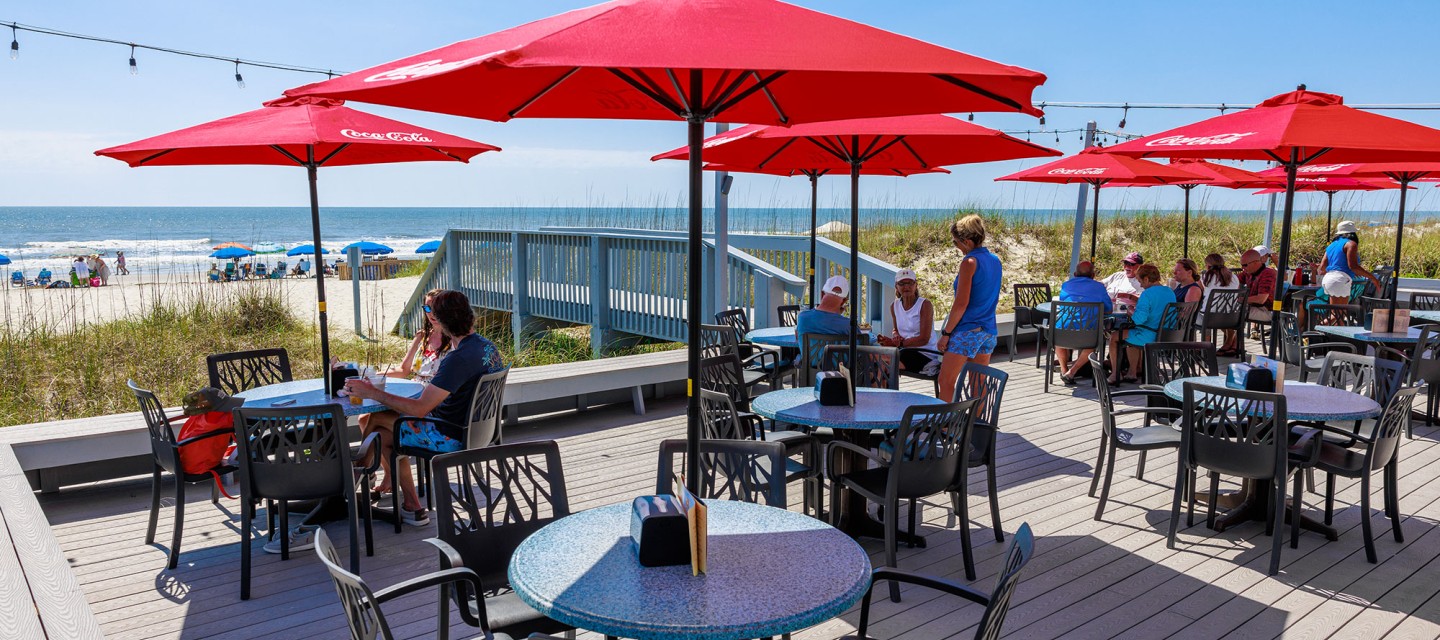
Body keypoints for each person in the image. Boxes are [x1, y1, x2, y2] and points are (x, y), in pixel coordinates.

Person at [348, 290, 504, 525]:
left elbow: (420, 409)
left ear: (442, 322)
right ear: (469, 316)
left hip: (449, 435)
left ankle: (355, 477)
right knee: (383, 434)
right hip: (481, 431)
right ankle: (411, 506)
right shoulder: (487, 347)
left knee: (381, 422)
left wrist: (371, 392)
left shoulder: (457, 359)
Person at [936, 214, 1001, 401]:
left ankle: (944, 426)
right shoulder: (995, 260)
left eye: (956, 243)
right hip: (988, 330)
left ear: (966, 241)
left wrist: (946, 334)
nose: (957, 247)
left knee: (946, 381)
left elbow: (961, 304)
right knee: (978, 384)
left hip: (968, 330)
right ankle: (977, 426)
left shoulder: (969, 262)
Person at [1109, 263, 1175, 384]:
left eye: (1140, 281)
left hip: (1150, 335)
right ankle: (1132, 372)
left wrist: (1130, 311)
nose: (1140, 285)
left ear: (1146, 279)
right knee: (1129, 334)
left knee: (1114, 337)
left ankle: (1114, 374)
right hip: (1167, 334)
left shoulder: (1147, 294)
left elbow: (1139, 320)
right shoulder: (1169, 292)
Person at [1054, 260, 1112, 386]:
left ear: (1075, 274)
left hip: (1062, 334)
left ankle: (1064, 370)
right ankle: (1071, 371)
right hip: (1087, 335)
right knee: (1094, 341)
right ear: (1093, 276)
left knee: (1058, 339)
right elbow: (1108, 309)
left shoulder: (1066, 285)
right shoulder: (1099, 287)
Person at [877, 268, 938, 373]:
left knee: (884, 363)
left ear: (916, 285)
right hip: (905, 350)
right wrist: (895, 336)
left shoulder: (924, 305)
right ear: (896, 286)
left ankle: (884, 389)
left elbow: (924, 339)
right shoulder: (894, 306)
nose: (906, 287)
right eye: (902, 283)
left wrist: (899, 344)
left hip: (924, 353)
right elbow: (895, 329)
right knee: (874, 357)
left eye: (910, 283)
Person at [1223, 248, 1278, 355]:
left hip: (1268, 311)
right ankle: (1232, 341)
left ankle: (1233, 343)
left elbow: (1261, 299)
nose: (1243, 268)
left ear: (1256, 262)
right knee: (1225, 308)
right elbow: (1231, 281)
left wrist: (1240, 299)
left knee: (1235, 309)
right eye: (1241, 265)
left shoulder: (1268, 274)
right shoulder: (1248, 272)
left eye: (1245, 265)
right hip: (1253, 307)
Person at [391, 289, 451, 384]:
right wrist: (373, 375)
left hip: (437, 393)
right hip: (415, 388)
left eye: (436, 308)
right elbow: (403, 370)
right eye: (428, 308)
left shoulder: (455, 340)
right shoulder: (421, 336)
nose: (432, 313)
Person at [794, 275, 855, 366]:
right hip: (841, 375)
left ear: (822, 294)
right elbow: (861, 346)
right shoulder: (849, 325)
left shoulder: (803, 318)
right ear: (843, 301)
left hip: (811, 374)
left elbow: (798, 337)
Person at [1318, 220, 1381, 307]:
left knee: (1337, 315)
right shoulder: (1351, 244)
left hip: (1328, 279)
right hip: (1340, 280)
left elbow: (1322, 268)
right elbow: (1353, 267)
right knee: (1339, 314)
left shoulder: (1331, 245)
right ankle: (1314, 322)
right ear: (1353, 233)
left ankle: (1315, 321)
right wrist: (1372, 277)